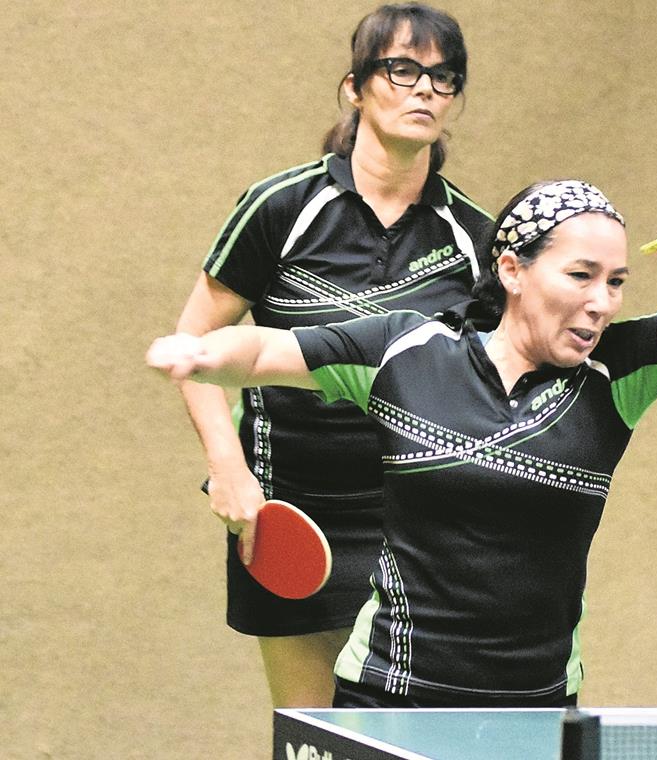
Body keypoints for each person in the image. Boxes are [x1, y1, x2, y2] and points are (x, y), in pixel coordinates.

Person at [149, 179, 657, 708]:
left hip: (536, 700)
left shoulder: (616, 373)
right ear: (512, 270)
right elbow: (264, 348)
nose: (600, 303)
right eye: (581, 275)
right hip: (391, 691)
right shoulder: (407, 351)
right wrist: (203, 352)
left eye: (616, 282)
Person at [171, 3, 493, 708]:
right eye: (402, 70)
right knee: (312, 741)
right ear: (355, 88)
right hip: (291, 515)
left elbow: (490, 385)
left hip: (413, 527)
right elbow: (193, 350)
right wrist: (227, 470)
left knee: (409, 740)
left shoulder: (473, 236)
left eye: (445, 78)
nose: (425, 91)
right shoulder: (281, 208)